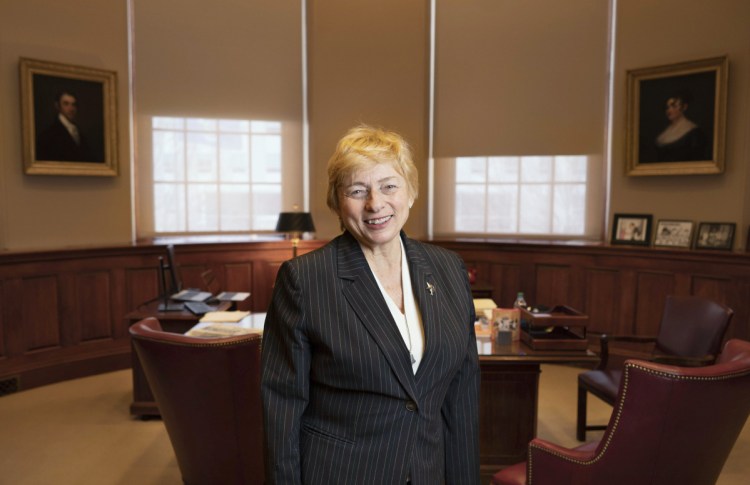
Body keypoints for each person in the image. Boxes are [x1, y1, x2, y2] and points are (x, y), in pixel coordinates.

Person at [261, 125, 480, 484]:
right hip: (343, 473)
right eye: (357, 190)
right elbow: (281, 407)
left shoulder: (449, 269)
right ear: (337, 201)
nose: (375, 203)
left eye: (389, 186)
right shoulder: (304, 280)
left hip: (429, 470)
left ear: (410, 192)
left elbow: (462, 397)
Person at [36, 90, 97, 162]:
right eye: (66, 104)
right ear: (57, 106)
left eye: (73, 104)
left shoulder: (79, 132)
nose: (71, 109)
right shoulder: (48, 135)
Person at [654, 93, 710, 162]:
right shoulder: (665, 131)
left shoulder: (695, 133)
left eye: (674, 106)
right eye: (667, 107)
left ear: (684, 107)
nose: (669, 110)